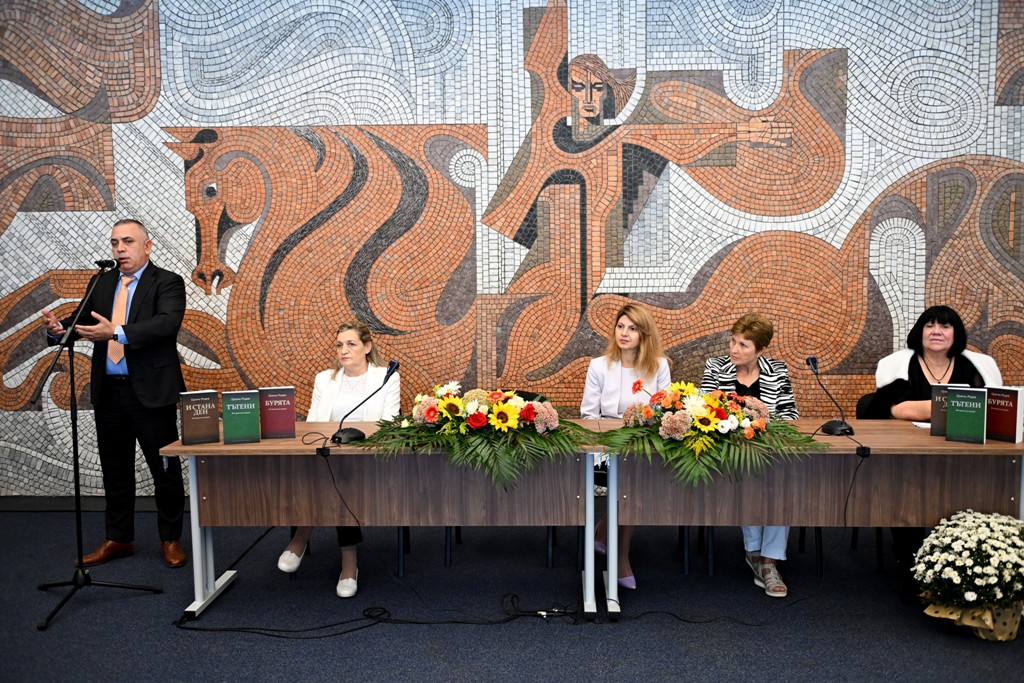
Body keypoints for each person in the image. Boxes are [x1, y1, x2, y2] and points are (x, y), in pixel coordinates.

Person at [40, 218, 188, 568]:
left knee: (165, 471)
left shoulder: (167, 282)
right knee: (115, 470)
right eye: (114, 243)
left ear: (147, 246)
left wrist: (117, 333)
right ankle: (119, 538)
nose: (120, 249)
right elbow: (84, 322)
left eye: (128, 242)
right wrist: (60, 330)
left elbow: (166, 325)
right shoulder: (103, 282)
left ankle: (170, 538)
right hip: (109, 393)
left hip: (151, 394)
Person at [863, 305, 1001, 600]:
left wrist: (928, 408)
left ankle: (957, 562)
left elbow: (989, 408)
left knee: (968, 494)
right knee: (906, 497)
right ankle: (911, 564)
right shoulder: (901, 365)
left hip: (962, 455)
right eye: (930, 325)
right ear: (920, 332)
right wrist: (956, 406)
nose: (936, 331)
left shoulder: (974, 367)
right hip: (908, 456)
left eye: (945, 326)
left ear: (955, 334)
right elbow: (895, 409)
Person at [277, 321, 401, 598]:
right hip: (329, 454)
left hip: (367, 457)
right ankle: (349, 562)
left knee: (340, 480)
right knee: (332, 476)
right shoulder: (325, 379)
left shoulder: (386, 377)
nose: (343, 350)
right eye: (339, 345)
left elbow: (390, 422)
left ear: (367, 347)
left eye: (351, 344)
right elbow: (313, 423)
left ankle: (302, 539)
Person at [700, 313, 798, 598]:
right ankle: (755, 552)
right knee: (747, 473)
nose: (734, 349)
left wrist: (763, 421)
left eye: (743, 345)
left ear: (761, 350)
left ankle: (768, 561)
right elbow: (702, 411)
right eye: (733, 341)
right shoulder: (716, 367)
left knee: (782, 482)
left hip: (768, 449)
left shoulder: (777, 370)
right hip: (727, 450)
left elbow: (790, 415)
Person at [580, 303, 671, 589]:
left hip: (642, 446)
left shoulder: (659, 366)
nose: (624, 333)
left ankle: (612, 541)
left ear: (644, 334)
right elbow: (588, 416)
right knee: (626, 484)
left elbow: (666, 412)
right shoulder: (599, 365)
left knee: (635, 483)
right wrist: (606, 441)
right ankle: (617, 554)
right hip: (604, 447)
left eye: (632, 328)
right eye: (620, 326)